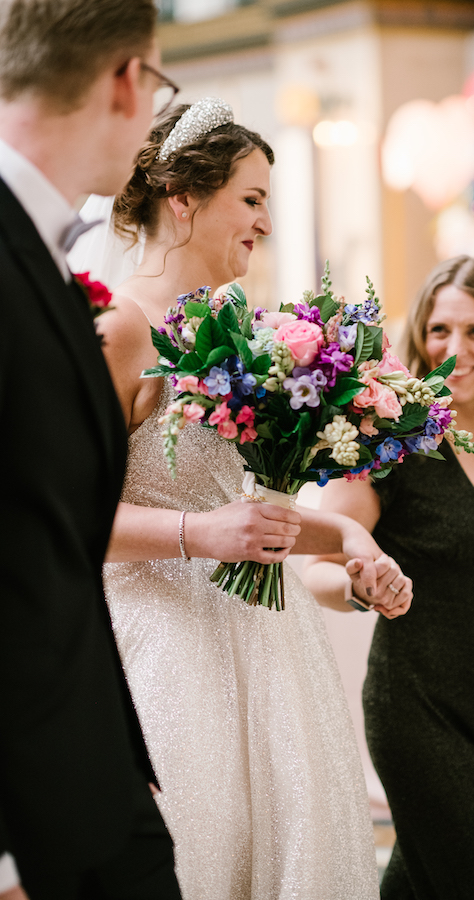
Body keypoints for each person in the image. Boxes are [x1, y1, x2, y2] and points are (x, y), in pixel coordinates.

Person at [72, 98, 413, 900]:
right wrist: (199, 533)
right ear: (182, 197)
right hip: (164, 650)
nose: (265, 221)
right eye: (251, 198)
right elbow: (65, 519)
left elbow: (249, 511)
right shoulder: (118, 330)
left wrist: (350, 545)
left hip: (269, 643)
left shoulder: (242, 328)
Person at [304, 255, 474, 899]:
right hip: (413, 708)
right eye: (440, 331)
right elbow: (317, 568)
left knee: (424, 879)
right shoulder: (385, 440)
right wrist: (357, 586)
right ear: (419, 338)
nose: (457, 350)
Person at [0, 2, 184, 898]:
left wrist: (116, 747)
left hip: (83, 770)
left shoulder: (40, 252)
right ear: (127, 80)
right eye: (158, 84)